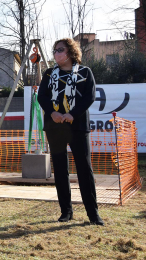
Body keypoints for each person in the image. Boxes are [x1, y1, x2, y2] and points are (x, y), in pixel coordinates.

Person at [37, 38, 104, 226]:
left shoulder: (85, 72)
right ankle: (66, 211)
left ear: (70, 52)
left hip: (77, 125)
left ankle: (93, 214)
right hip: (55, 126)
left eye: (60, 50)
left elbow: (89, 97)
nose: (56, 53)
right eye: (55, 50)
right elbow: (42, 96)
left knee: (84, 169)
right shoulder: (49, 74)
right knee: (60, 169)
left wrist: (71, 114)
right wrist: (53, 112)